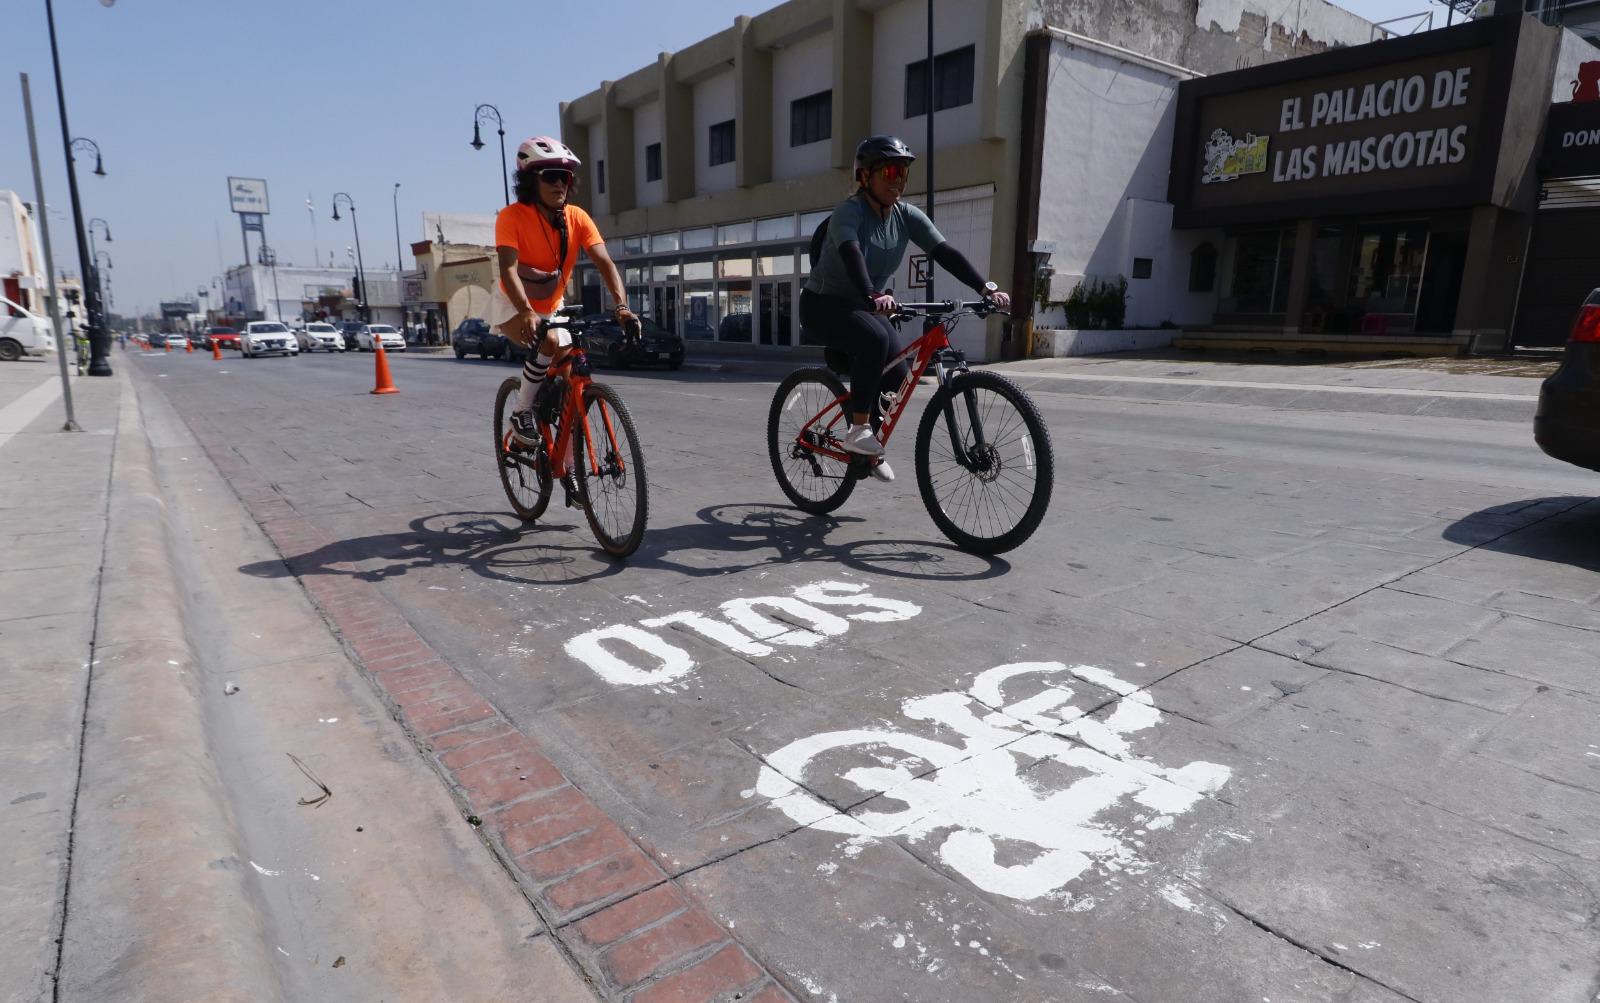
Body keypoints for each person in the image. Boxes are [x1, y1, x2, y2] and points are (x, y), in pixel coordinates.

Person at [800, 135, 1010, 483]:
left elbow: (945, 252)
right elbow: (852, 254)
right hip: (823, 304)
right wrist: (872, 294)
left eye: (903, 173)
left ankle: (868, 449)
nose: (898, 180)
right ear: (866, 176)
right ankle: (859, 429)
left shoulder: (905, 216)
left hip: (865, 305)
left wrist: (984, 287)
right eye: (891, 171)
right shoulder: (848, 212)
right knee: (872, 341)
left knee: (898, 374)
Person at [495, 135, 637, 448]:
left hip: (552, 302)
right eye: (550, 176)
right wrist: (526, 311)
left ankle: (569, 464)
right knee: (547, 340)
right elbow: (508, 269)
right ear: (531, 180)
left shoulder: (578, 218)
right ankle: (521, 412)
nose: (559, 183)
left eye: (565, 177)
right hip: (513, 301)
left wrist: (622, 307)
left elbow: (604, 262)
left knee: (572, 380)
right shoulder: (511, 217)